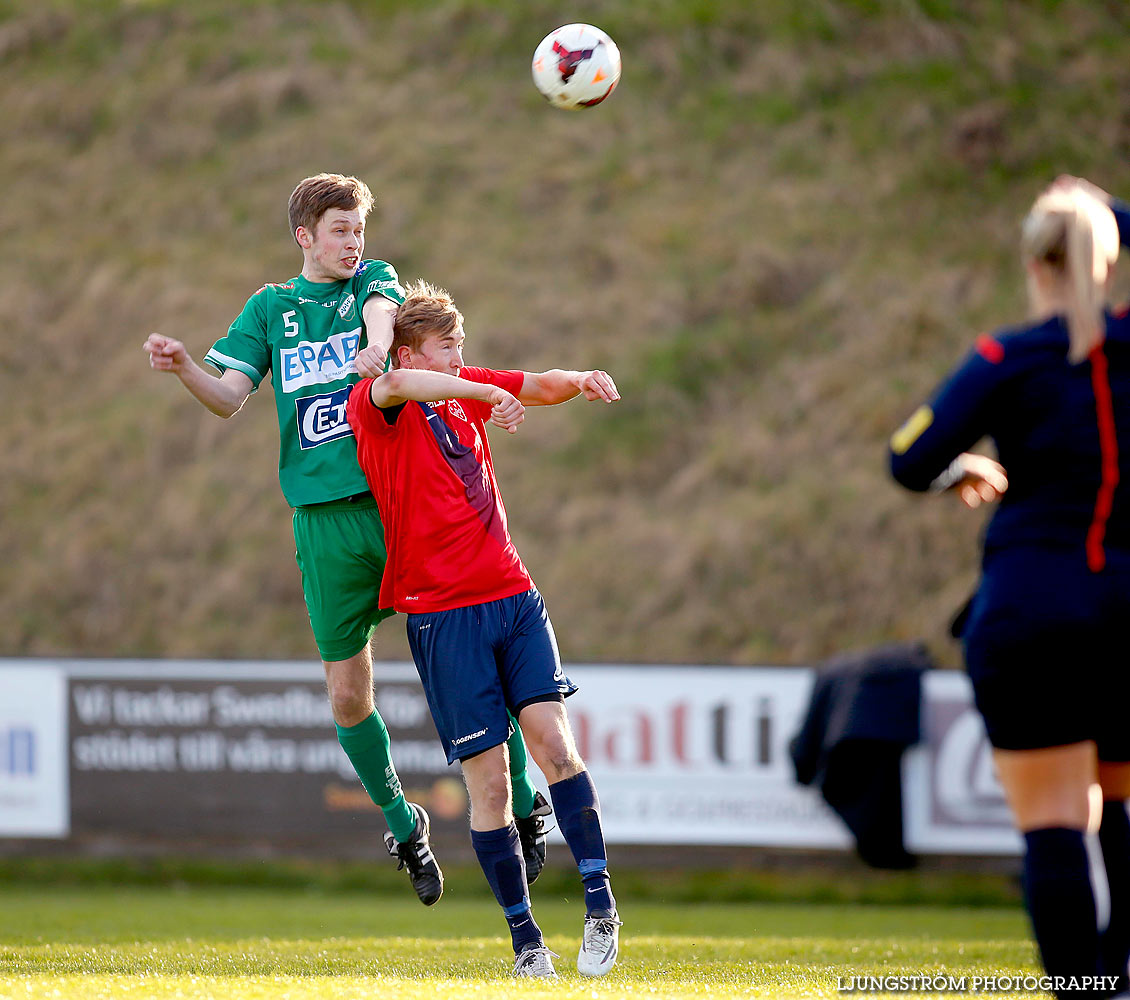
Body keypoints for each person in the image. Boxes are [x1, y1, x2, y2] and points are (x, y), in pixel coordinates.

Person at [142, 172, 550, 904]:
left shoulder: (376, 283)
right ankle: (404, 822)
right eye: (339, 231)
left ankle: (525, 801)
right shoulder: (270, 309)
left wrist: (373, 346)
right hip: (325, 524)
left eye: (358, 230)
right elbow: (230, 399)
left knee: (470, 657)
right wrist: (184, 371)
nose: (353, 243)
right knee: (346, 695)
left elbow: (382, 318)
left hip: (401, 506)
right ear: (305, 236)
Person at [889, 177, 1130, 997]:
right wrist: (1099, 214)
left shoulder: (1007, 358)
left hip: (1034, 609)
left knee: (1058, 825)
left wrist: (961, 467)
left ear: (1036, 264)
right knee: (1119, 810)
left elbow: (907, 458)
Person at [345, 279, 623, 979]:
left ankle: (600, 906)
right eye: (449, 348)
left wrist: (580, 380)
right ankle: (527, 942)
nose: (462, 360)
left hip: (512, 597)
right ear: (411, 351)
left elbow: (537, 382)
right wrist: (476, 391)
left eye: (463, 348)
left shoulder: (465, 385)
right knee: (492, 787)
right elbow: (396, 382)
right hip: (441, 618)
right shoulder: (378, 401)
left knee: (557, 748)